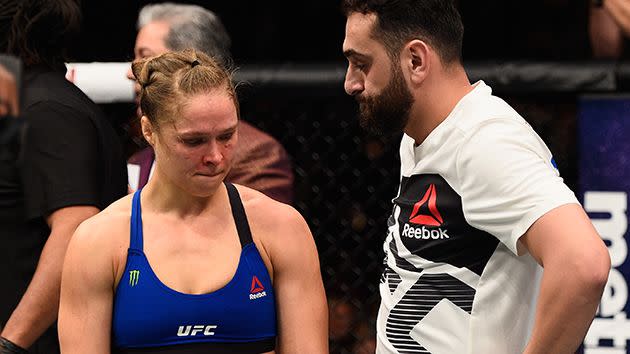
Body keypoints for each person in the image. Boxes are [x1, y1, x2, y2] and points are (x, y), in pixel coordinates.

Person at [341, 1, 611, 353]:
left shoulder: (485, 141)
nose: (350, 83)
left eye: (362, 63)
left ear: (416, 61)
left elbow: (583, 263)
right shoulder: (424, 134)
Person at [58, 49, 328, 353]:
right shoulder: (99, 240)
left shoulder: (280, 227)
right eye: (194, 141)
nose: (215, 157)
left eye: (227, 136)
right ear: (149, 130)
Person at [0, 0, 128, 353]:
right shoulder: (22, 96)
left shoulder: (46, 109)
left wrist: (11, 343)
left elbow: (76, 226)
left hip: (41, 342)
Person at [126, 3, 294, 204]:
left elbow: (258, 227)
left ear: (187, 62)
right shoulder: (139, 161)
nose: (131, 72)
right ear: (149, 131)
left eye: (146, 57)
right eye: (193, 140)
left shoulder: (256, 155)